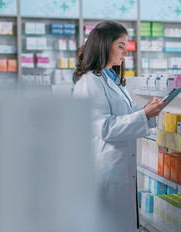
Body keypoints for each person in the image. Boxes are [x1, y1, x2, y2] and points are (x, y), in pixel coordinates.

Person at [72, 21, 165, 232]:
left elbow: (125, 117)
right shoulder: (90, 81)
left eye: (126, 46)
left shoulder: (111, 78)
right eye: (121, 45)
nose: (125, 52)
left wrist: (148, 112)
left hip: (119, 169)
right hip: (105, 171)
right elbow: (104, 127)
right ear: (105, 45)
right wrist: (142, 115)